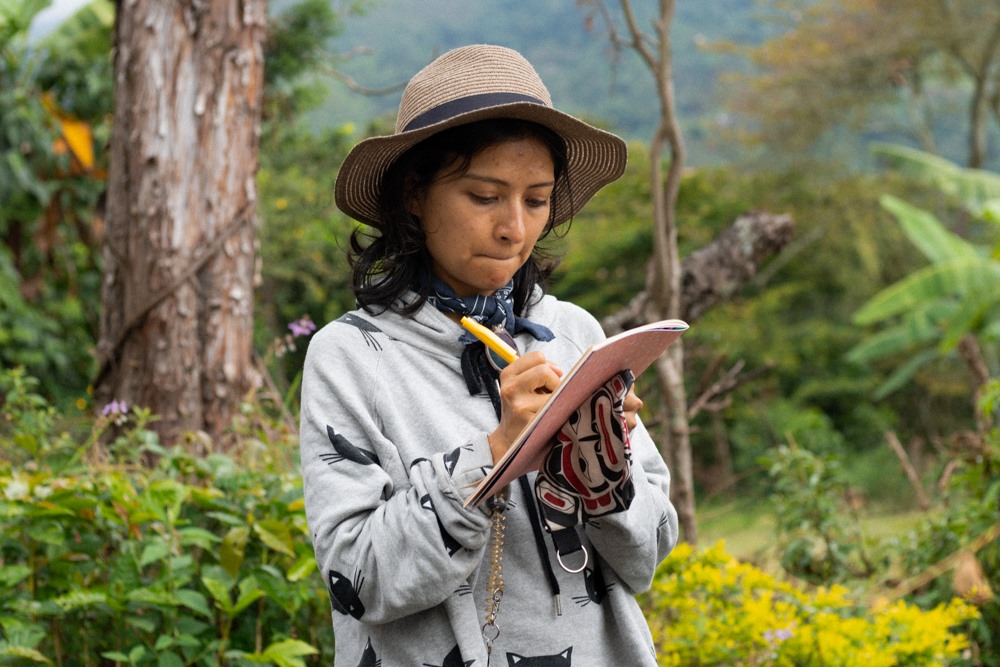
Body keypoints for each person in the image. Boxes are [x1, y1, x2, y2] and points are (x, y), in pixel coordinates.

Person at [300, 44, 679, 667]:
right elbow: (357, 577)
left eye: (536, 200)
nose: (515, 229)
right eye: (484, 197)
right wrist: (496, 454)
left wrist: (603, 477)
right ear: (415, 196)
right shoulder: (350, 357)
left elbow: (645, 560)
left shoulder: (573, 332)